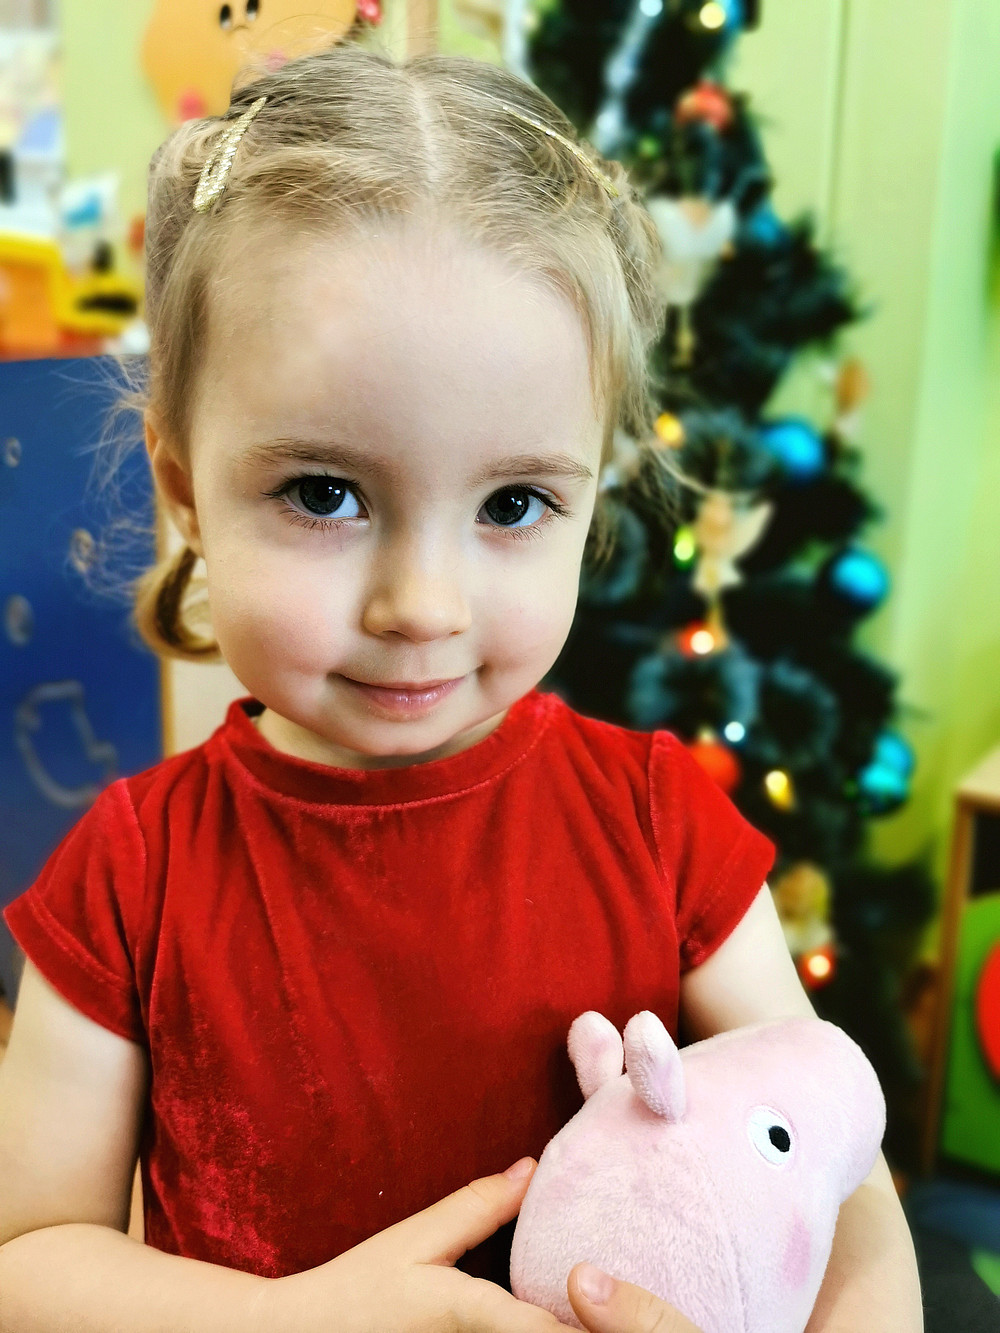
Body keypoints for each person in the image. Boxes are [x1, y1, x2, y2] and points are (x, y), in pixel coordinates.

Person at [0, 43, 921, 1332]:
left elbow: (837, 1164)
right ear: (184, 488)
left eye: (513, 504)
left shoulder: (661, 830)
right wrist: (296, 1321)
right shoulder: (131, 878)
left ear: (589, 497)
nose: (422, 606)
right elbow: (28, 1256)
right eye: (324, 492)